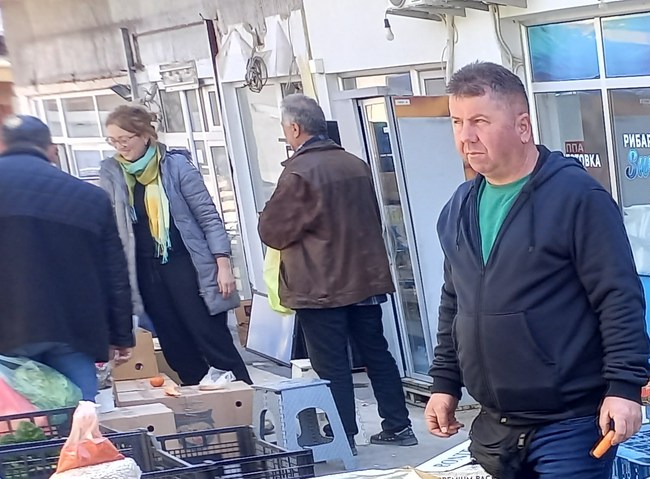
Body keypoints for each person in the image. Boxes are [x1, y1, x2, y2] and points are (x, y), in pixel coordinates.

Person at [423, 62, 649, 479]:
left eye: (479, 120)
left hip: (571, 418)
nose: (466, 136)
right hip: (500, 419)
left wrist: (625, 386)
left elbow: (618, 296)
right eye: (457, 122)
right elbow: (453, 301)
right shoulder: (460, 207)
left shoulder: (577, 199)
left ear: (522, 126)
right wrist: (444, 383)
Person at [259, 94, 416, 447]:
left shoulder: (298, 172)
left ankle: (342, 434)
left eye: (285, 129)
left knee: (332, 365)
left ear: (295, 128)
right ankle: (398, 425)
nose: (286, 136)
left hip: (320, 285)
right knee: (377, 353)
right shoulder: (354, 163)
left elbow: (273, 231)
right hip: (365, 279)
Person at [100, 104, 250, 387]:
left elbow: (208, 216)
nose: (120, 147)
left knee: (210, 336)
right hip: (146, 271)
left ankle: (245, 401)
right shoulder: (113, 174)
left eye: (125, 139)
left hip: (186, 264)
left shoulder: (176, 166)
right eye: (113, 141)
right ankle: (205, 404)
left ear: (144, 135)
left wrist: (223, 263)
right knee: (174, 344)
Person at [0, 115, 132, 400]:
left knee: (16, 429)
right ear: (50, 149)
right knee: (80, 424)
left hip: (6, 333)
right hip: (73, 330)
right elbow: (115, 273)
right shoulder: (90, 198)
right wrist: (120, 335)